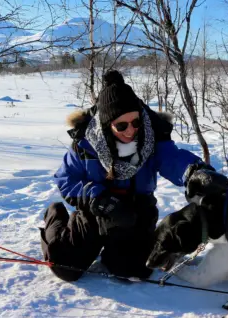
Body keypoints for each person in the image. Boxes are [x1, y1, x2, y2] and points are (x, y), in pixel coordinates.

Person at [39, 70, 209, 281]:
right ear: (106, 124)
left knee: (134, 270)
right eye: (121, 125)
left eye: (135, 122)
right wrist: (97, 198)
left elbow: (172, 159)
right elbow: (66, 179)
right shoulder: (85, 143)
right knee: (65, 266)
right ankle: (55, 214)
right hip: (96, 210)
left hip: (135, 213)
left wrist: (194, 172)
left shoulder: (151, 139)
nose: (131, 131)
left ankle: (114, 252)